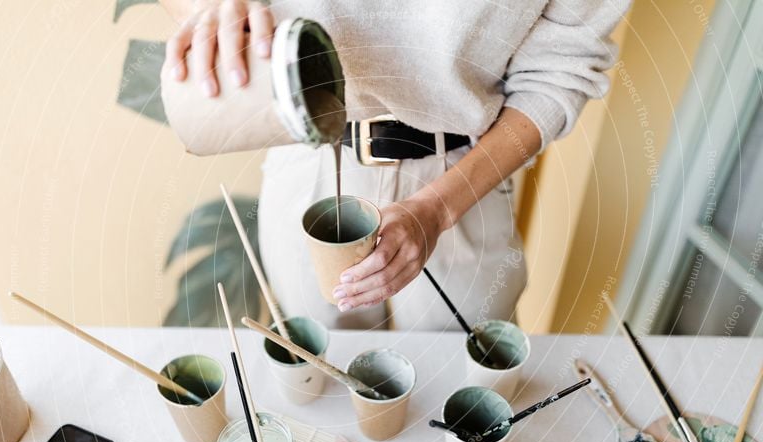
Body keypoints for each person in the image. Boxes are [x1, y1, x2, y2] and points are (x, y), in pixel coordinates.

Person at [160, 0, 630, 331]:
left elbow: (559, 76)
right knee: (322, 371)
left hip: (464, 180)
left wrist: (437, 211)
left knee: (462, 386)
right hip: (310, 157)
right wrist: (207, 10)